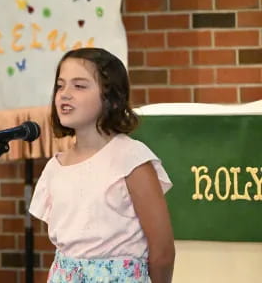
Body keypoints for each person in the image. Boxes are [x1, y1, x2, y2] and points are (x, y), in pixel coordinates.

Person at [30, 48, 175, 283]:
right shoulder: (55, 168)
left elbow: (163, 252)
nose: (65, 94)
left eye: (79, 86)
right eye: (60, 85)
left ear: (111, 98)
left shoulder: (131, 159)